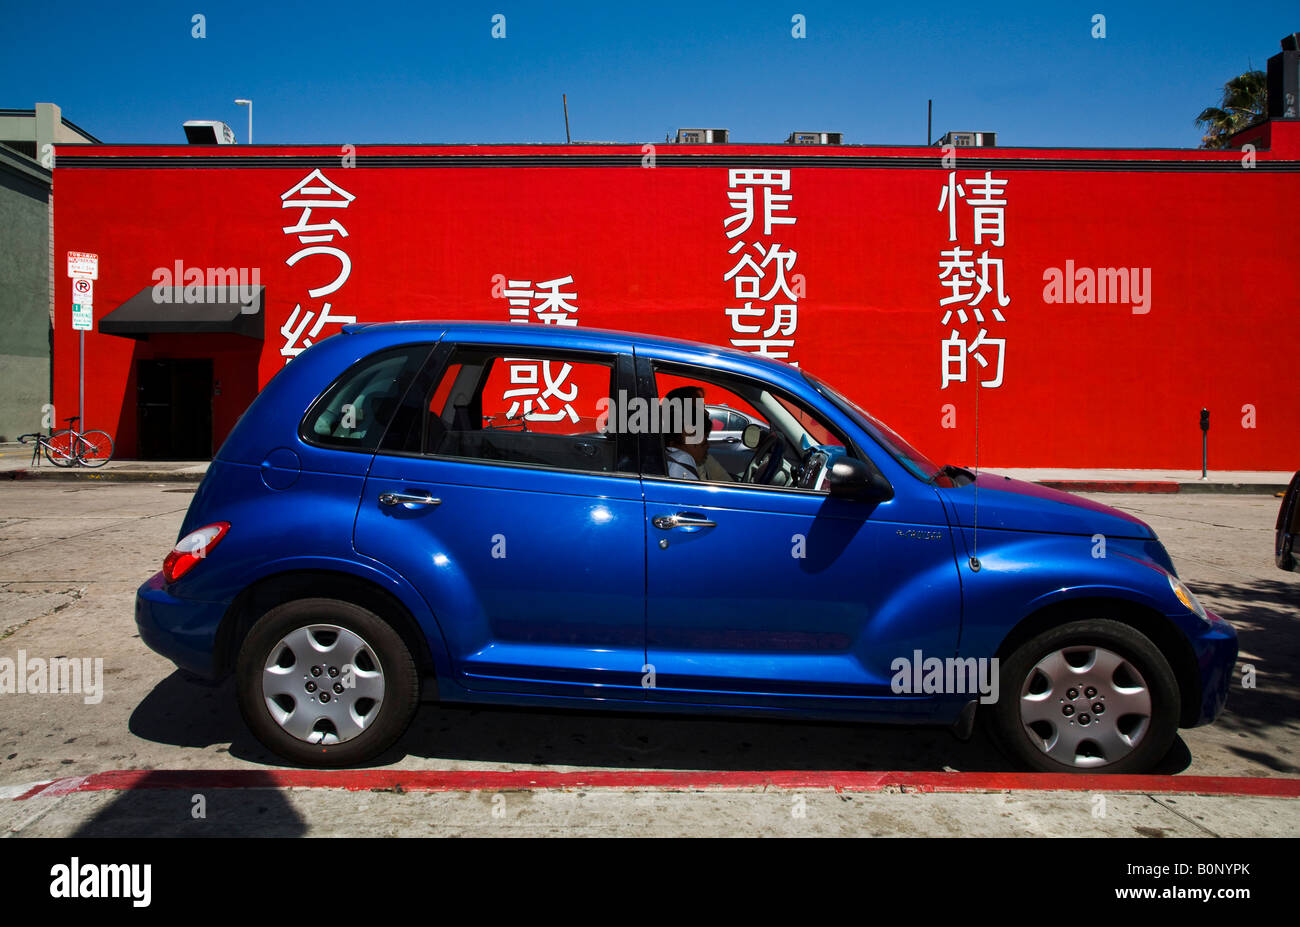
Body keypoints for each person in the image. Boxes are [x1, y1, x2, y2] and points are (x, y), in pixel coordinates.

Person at [662, 385, 733, 481]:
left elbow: (725, 481)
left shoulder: (700, 454)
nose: (707, 413)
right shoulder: (681, 461)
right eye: (699, 408)